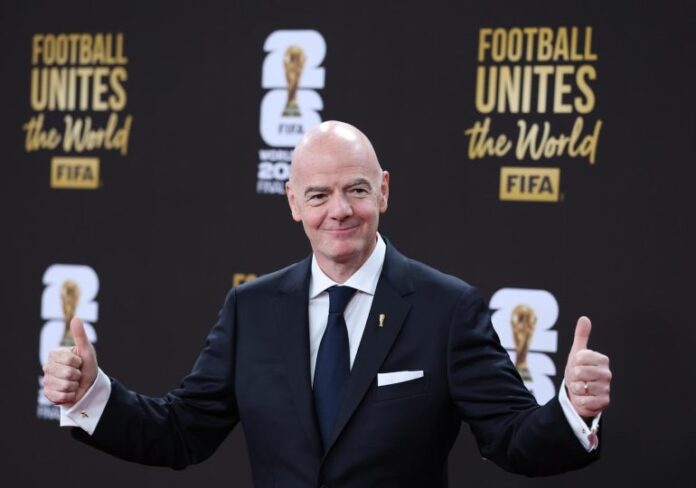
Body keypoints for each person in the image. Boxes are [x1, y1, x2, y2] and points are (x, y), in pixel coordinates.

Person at [43, 120, 611, 487]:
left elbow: (512, 437)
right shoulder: (251, 309)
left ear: (383, 190)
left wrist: (573, 410)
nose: (338, 210)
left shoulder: (447, 309)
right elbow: (180, 432)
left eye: (356, 190)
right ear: (294, 203)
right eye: (318, 195)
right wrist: (92, 394)